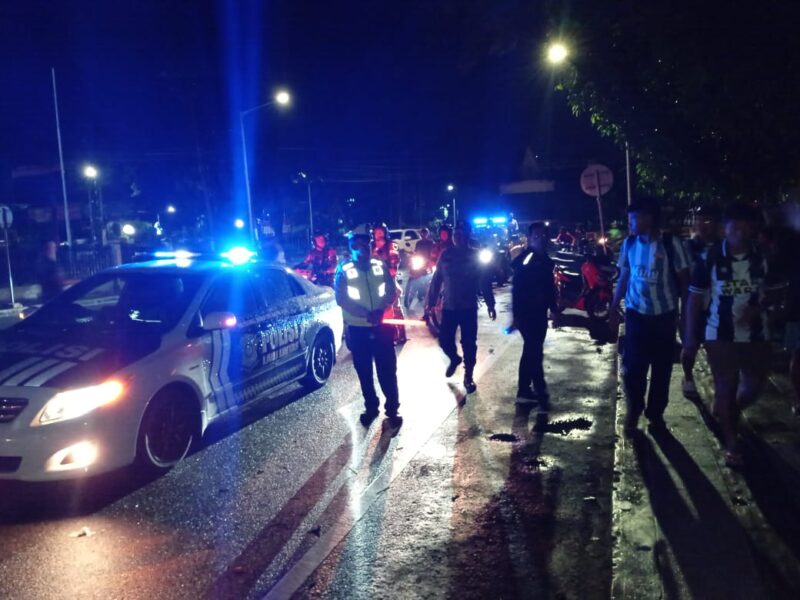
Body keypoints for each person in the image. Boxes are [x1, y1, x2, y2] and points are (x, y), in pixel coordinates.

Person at [685, 204, 785, 467]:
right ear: (724, 229)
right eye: (734, 225)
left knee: (755, 384)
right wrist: (691, 335)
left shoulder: (765, 258)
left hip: (757, 336)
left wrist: (760, 309)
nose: (740, 230)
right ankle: (731, 443)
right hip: (720, 335)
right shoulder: (708, 259)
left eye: (746, 225)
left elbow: (776, 291)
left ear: (754, 229)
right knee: (725, 387)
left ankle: (730, 410)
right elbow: (694, 300)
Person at [608, 199, 690, 435]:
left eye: (633, 219)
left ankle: (655, 413)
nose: (630, 224)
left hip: (664, 317)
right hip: (636, 316)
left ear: (649, 219)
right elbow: (624, 277)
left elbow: (685, 280)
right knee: (633, 367)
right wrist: (613, 306)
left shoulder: (671, 244)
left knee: (661, 369)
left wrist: (685, 314)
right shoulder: (630, 244)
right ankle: (635, 408)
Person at [334, 226, 402, 428]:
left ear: (370, 245)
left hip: (381, 326)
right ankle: (371, 407)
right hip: (358, 329)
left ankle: (393, 409)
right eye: (356, 246)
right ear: (351, 248)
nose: (361, 249)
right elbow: (342, 299)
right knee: (364, 372)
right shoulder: (343, 270)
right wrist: (366, 313)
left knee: (387, 370)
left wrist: (380, 310)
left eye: (365, 245)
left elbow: (390, 290)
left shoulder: (380, 266)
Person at [427, 220, 496, 394]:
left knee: (469, 344)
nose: (457, 237)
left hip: (468, 308)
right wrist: (431, 302)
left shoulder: (475, 255)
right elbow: (437, 279)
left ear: (467, 236)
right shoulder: (445, 255)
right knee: (444, 340)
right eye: (455, 234)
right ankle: (454, 358)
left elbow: (484, 281)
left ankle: (468, 377)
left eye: (461, 234)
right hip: (449, 307)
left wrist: (490, 303)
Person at [511, 222, 556, 407]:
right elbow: (517, 287)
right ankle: (531, 389)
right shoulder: (528, 259)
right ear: (529, 239)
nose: (540, 239)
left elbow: (549, 289)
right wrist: (516, 316)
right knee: (533, 350)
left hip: (540, 313)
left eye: (543, 236)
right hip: (527, 314)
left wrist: (554, 309)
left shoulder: (544, 260)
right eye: (536, 236)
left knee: (533, 350)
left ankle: (532, 388)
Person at [680, 206, 721, 397]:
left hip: (718, 307)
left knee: (717, 348)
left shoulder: (723, 247)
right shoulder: (688, 248)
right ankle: (688, 376)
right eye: (699, 220)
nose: (703, 225)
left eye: (708, 220)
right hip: (692, 304)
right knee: (690, 346)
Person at [372, 222, 406, 344]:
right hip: (374, 282)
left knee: (395, 307)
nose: (378, 234)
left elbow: (394, 263)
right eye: (376, 232)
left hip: (389, 280)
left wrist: (391, 269)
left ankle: (401, 333)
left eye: (380, 232)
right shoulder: (371, 246)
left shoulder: (392, 245)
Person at [404, 227, 434, 310]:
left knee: (431, 276)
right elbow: (416, 252)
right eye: (422, 233)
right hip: (419, 261)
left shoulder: (431, 243)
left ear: (427, 234)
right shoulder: (418, 243)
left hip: (427, 263)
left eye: (425, 233)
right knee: (412, 272)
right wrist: (411, 255)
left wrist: (430, 259)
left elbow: (433, 252)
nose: (423, 235)